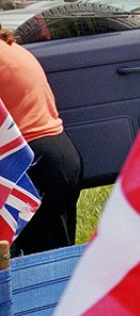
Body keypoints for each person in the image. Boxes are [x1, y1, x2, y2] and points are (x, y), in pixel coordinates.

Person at [0, 30, 82, 254]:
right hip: (57, 153)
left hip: (35, 163)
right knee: (55, 255)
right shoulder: (11, 49)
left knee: (43, 265)